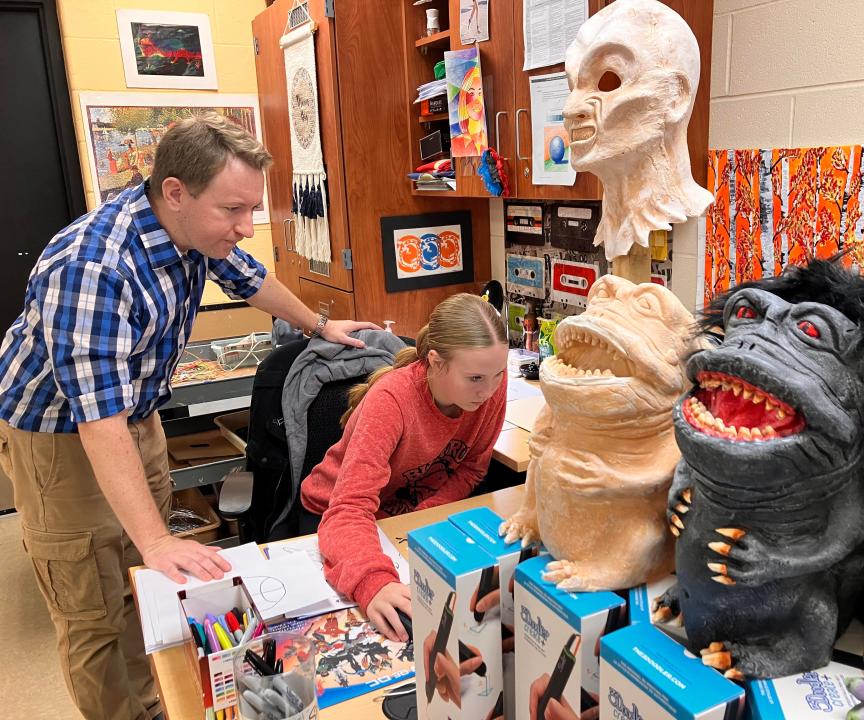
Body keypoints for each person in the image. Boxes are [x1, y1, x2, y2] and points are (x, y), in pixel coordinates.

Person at [0, 113, 376, 720]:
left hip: (134, 419)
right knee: (93, 612)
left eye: (252, 208)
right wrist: (154, 539)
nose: (246, 227)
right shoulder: (93, 265)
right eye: (234, 210)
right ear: (175, 192)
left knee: (140, 588)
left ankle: (154, 702)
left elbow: (252, 280)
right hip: (61, 441)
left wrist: (320, 325)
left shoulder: (191, 229)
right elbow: (97, 423)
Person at [300, 293, 508, 642]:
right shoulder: (392, 400)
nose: (488, 391)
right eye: (475, 379)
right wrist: (373, 582)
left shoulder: (489, 388)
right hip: (336, 516)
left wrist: (417, 522)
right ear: (435, 362)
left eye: (498, 374)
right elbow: (348, 508)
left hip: (400, 520)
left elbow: (470, 470)